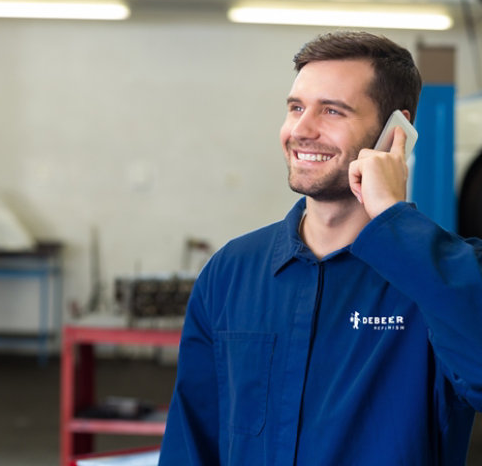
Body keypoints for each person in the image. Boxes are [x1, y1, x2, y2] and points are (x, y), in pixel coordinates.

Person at [158, 31, 482, 465]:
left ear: (394, 132)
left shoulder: (445, 278)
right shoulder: (232, 272)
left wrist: (392, 218)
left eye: (332, 110)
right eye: (296, 108)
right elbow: (190, 442)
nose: (301, 130)